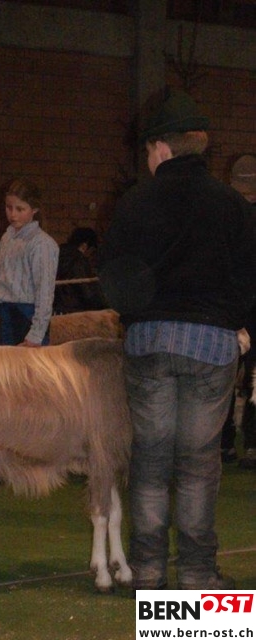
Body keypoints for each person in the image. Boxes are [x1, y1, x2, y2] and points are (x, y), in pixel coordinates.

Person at [98, 88, 255, 591]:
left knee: (150, 459)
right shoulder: (233, 205)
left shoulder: (134, 203)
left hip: (150, 341)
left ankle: (147, 573)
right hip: (212, 343)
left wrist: (138, 314)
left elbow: (114, 280)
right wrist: (239, 325)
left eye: (148, 150)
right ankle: (196, 575)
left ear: (162, 148)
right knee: (198, 464)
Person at [0, 178, 59, 346]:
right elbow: (0, 283)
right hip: (7, 316)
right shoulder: (7, 238)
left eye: (20, 209)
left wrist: (36, 334)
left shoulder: (42, 244)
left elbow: (45, 292)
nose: (13, 214)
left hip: (28, 318)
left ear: (34, 209)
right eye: (9, 207)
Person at [230, 154, 256, 470]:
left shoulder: (226, 212)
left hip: (231, 309)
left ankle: (223, 444)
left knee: (224, 378)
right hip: (241, 309)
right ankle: (251, 443)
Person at [53, 227, 106, 314]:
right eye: (92, 252)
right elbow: (87, 291)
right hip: (74, 311)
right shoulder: (78, 260)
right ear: (84, 246)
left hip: (55, 309)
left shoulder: (56, 253)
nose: (90, 256)